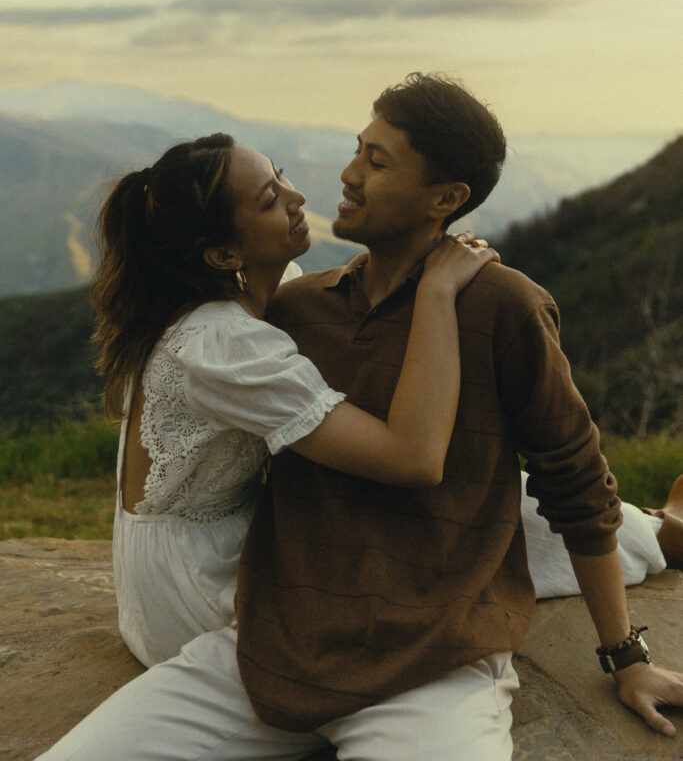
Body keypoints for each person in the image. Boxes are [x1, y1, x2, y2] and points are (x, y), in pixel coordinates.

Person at [38, 76, 683, 761]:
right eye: (357, 150)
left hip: (429, 666)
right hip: (273, 643)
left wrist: (625, 656)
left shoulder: (503, 307)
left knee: (510, 505)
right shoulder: (293, 312)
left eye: (376, 163)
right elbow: (406, 455)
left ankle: (664, 533)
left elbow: (573, 479)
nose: (344, 176)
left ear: (446, 199)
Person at [91, 133, 496, 668]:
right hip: (195, 588)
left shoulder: (220, 305)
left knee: (465, 511)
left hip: (210, 547)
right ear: (224, 254)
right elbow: (413, 458)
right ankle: (634, 539)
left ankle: (634, 531)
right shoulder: (220, 345)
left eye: (280, 175)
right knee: (443, 529)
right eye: (268, 198)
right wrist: (437, 292)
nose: (296, 196)